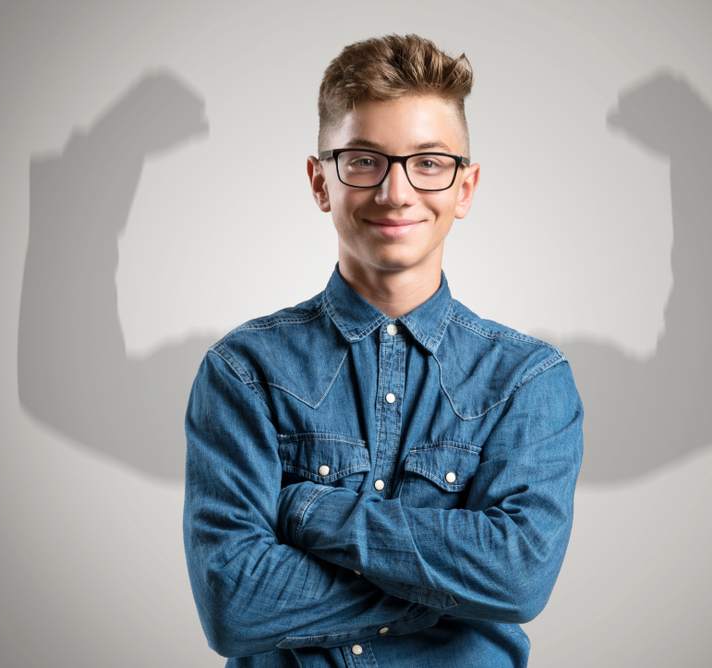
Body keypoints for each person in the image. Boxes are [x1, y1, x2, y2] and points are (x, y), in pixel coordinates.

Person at [183, 34, 584, 668]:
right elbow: (233, 605)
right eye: (365, 160)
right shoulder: (244, 371)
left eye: (429, 162)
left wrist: (311, 509)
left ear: (465, 187)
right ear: (321, 182)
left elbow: (518, 578)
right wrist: (450, 591)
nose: (396, 193)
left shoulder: (527, 380)